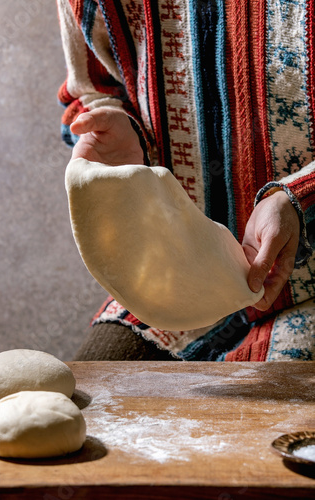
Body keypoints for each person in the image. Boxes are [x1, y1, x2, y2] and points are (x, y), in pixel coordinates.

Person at [56, 0, 315, 361]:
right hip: (172, 281)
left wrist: (300, 198)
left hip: (307, 288)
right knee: (94, 402)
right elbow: (94, 89)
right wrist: (123, 132)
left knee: (269, 415)